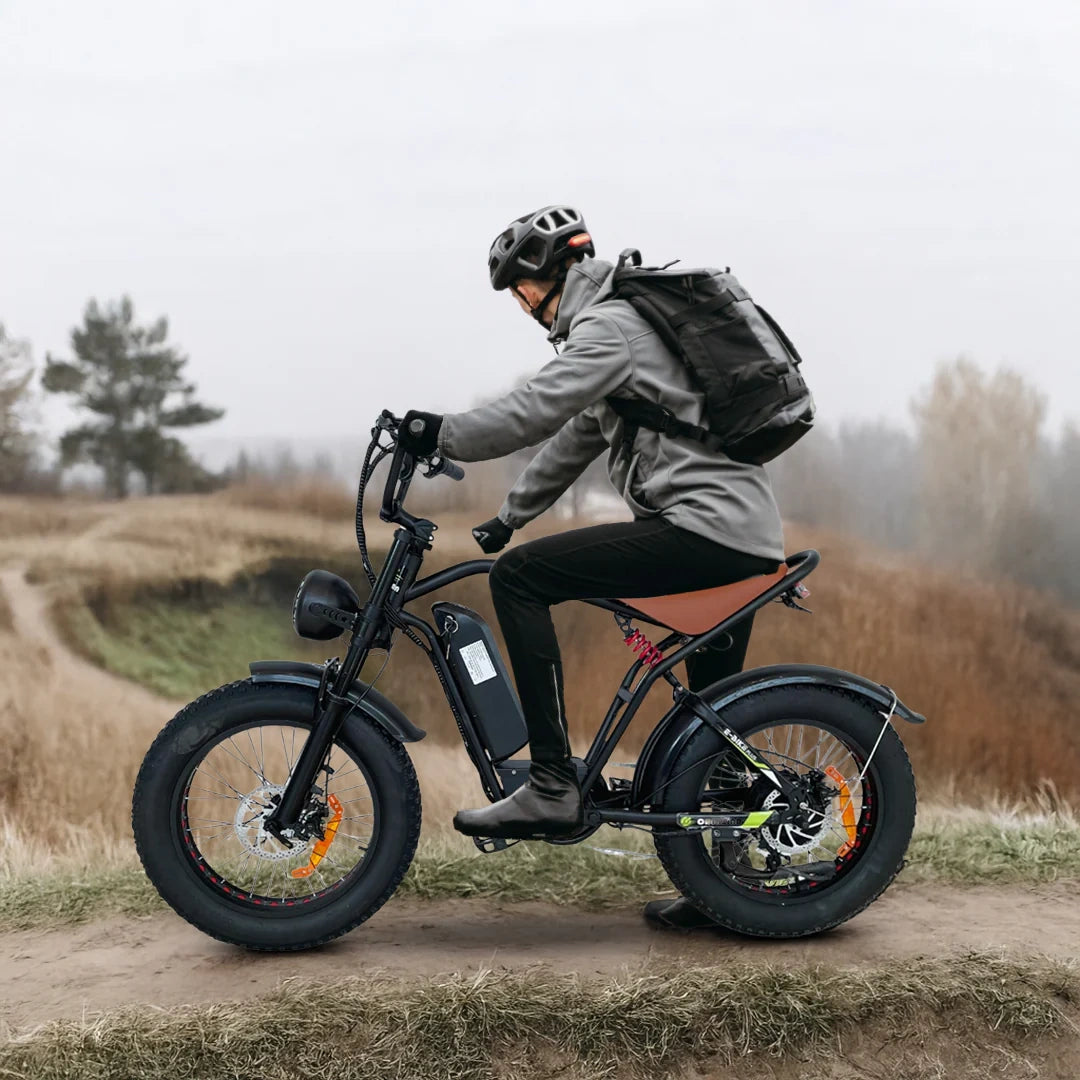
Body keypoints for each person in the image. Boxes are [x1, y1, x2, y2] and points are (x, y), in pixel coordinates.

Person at [398, 205, 786, 928]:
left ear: (552, 274)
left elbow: (534, 411)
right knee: (714, 712)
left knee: (520, 579)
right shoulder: (618, 329)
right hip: (736, 532)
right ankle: (727, 891)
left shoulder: (608, 328)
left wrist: (439, 432)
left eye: (522, 289)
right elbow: (577, 437)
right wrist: (509, 515)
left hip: (707, 532)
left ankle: (551, 784)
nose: (522, 305)